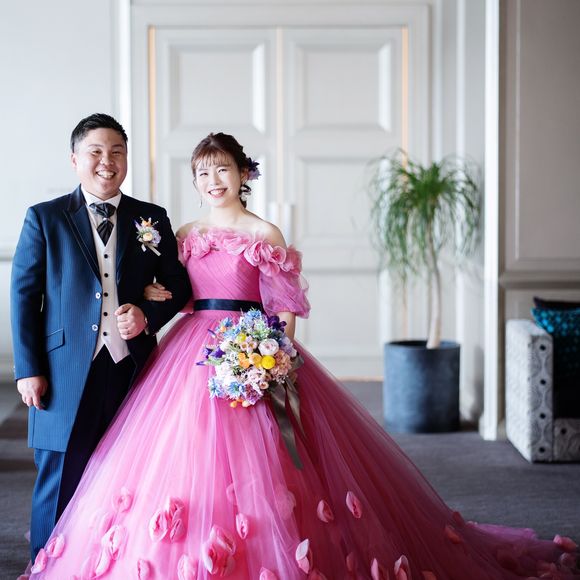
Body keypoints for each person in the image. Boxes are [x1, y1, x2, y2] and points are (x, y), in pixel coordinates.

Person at [27, 133, 579, 579]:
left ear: (243, 174)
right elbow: (171, 285)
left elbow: (283, 305)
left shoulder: (264, 232)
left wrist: (272, 355)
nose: (213, 180)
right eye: (203, 172)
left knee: (270, 463)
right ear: (194, 182)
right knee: (180, 459)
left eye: (222, 170)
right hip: (191, 353)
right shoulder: (185, 232)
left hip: (251, 344)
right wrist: (154, 294)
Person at [10, 113, 192, 562]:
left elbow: (179, 284)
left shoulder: (151, 217)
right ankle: (44, 566)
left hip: (132, 368)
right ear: (75, 159)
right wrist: (28, 369)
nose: (107, 161)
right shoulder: (45, 218)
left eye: (117, 152)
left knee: (129, 476)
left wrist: (147, 314)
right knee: (59, 478)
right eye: (95, 152)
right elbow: (24, 298)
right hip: (64, 369)